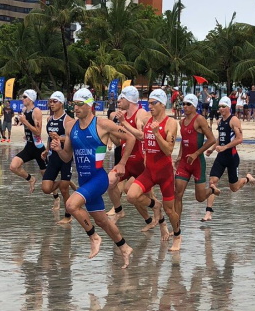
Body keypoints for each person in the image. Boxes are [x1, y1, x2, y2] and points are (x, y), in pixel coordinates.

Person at [51, 88, 134, 268]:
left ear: (90, 105)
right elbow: (67, 157)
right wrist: (58, 149)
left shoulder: (102, 125)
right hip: (84, 180)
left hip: (98, 178)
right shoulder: (71, 127)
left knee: (71, 205)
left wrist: (122, 163)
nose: (76, 108)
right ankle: (125, 247)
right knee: (102, 220)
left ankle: (94, 237)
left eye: (80, 104)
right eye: (74, 104)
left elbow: (131, 138)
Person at [127, 89, 182, 250]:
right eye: (148, 103)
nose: (149, 106)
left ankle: (177, 235)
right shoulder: (146, 119)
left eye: (153, 103)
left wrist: (157, 134)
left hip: (165, 174)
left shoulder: (171, 123)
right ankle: (155, 205)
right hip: (149, 171)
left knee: (170, 210)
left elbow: (168, 150)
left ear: (162, 104)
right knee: (131, 195)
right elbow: (142, 137)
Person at [110, 86, 163, 231]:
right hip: (126, 162)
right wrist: (110, 134)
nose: (119, 101)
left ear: (129, 100)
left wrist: (125, 123)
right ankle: (120, 211)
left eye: (122, 98)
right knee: (109, 182)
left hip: (141, 162)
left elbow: (141, 135)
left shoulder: (141, 113)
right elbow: (119, 143)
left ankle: (163, 226)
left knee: (141, 195)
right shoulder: (123, 115)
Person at [201, 96, 255, 222]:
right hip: (221, 156)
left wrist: (224, 147)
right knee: (212, 182)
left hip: (232, 157)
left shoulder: (234, 120)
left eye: (223, 106)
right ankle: (208, 212)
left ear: (228, 107)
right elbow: (220, 138)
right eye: (219, 106)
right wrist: (212, 148)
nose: (220, 109)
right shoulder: (220, 122)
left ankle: (247, 178)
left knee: (234, 188)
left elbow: (240, 139)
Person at [174, 93, 218, 220]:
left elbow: (211, 140)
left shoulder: (200, 119)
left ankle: (212, 190)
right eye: (183, 104)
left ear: (194, 106)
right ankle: (177, 227)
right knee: (178, 194)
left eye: (188, 104)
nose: (185, 106)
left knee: (199, 198)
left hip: (197, 162)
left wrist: (196, 153)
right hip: (184, 163)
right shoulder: (181, 122)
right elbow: (184, 141)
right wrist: (179, 157)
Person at [41, 91, 75, 224]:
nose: (51, 104)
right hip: (53, 157)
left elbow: (72, 138)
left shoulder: (68, 120)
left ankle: (68, 215)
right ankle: (66, 181)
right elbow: (50, 138)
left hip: (65, 156)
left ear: (61, 103)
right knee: (46, 188)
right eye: (50, 101)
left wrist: (60, 138)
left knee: (64, 190)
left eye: (55, 101)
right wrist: (47, 150)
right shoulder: (49, 119)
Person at [9, 90, 46, 193]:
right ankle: (31, 179)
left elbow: (38, 132)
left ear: (30, 99)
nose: (22, 99)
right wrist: (26, 135)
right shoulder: (24, 110)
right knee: (13, 166)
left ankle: (56, 198)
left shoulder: (36, 111)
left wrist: (25, 122)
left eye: (24, 97)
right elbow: (29, 128)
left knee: (47, 180)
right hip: (29, 146)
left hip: (39, 149)